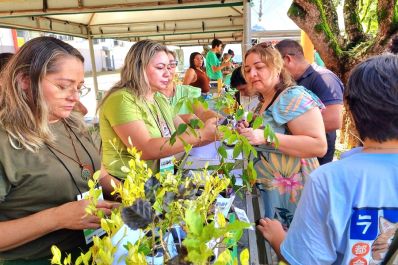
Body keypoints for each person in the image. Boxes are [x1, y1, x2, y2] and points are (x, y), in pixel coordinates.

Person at [257, 53, 398, 265]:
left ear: (348, 110)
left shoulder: (329, 180)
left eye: (258, 67)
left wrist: (278, 238)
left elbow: (305, 261)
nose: (251, 74)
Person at [0, 36, 115, 264]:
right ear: (25, 80)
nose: (74, 97)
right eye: (62, 86)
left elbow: (97, 173)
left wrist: (135, 198)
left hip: (97, 251)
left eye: (79, 88)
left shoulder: (70, 122)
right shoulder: (5, 140)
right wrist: (57, 218)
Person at [99, 40, 218, 180]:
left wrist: (215, 132)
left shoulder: (159, 98)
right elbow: (145, 148)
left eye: (169, 67)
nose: (168, 74)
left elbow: (184, 134)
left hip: (159, 181)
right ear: (139, 68)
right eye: (160, 67)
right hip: (128, 188)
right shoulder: (122, 99)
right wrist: (202, 134)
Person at [237, 42, 327, 228]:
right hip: (274, 195)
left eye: (259, 67)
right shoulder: (264, 100)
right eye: (247, 69)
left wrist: (266, 137)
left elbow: (318, 146)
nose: (252, 74)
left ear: (277, 67)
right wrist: (247, 129)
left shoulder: (292, 97)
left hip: (296, 197)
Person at [275, 39, 344, 165]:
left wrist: (287, 129)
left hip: (317, 157)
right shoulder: (295, 81)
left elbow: (334, 120)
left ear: (287, 59)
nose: (277, 73)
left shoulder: (323, 78)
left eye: (277, 66)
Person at [163, 50, 220, 123]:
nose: (200, 60)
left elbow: (203, 113)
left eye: (172, 64)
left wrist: (222, 120)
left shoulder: (202, 70)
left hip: (201, 96)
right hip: (198, 95)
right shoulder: (191, 71)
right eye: (160, 66)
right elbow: (185, 85)